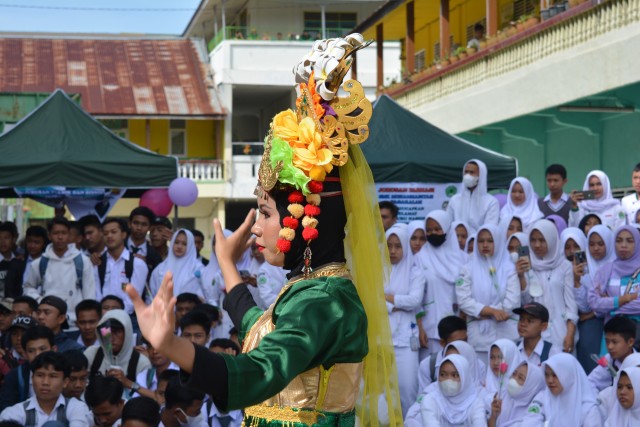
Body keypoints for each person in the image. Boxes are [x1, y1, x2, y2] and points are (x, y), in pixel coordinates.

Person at [127, 33, 400, 427]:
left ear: (306, 221)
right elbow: (258, 324)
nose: (255, 227)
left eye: (266, 213)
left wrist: (170, 345)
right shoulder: (312, 290)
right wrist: (226, 263)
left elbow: (259, 372)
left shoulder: (325, 301)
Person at [456, 224, 520, 360]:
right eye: (481, 241)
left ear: (498, 241)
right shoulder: (468, 269)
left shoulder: (509, 268)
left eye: (490, 241)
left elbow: (513, 302)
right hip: (479, 338)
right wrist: (493, 312)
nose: (485, 245)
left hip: (505, 334)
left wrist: (483, 313)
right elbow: (463, 301)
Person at [23, 217, 96, 328]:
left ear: (69, 235)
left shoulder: (83, 261)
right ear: (49, 236)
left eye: (64, 233)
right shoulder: (40, 263)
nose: (60, 237)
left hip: (75, 323)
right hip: (47, 323)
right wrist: (40, 300)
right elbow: (28, 287)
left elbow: (89, 294)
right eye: (56, 233)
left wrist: (85, 319)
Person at [385, 224, 426, 416]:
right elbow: (372, 300)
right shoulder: (378, 271)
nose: (392, 251)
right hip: (382, 339)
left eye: (398, 246)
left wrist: (387, 298)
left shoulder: (415, 271)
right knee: (383, 391)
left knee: (408, 388)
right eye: (389, 245)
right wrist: (396, 304)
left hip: (406, 340)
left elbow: (415, 300)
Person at [415, 210, 466, 359]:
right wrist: (420, 328)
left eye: (438, 229)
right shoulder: (419, 258)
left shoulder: (463, 259)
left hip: (457, 329)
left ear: (447, 230)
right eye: (429, 230)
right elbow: (417, 298)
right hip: (429, 329)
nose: (433, 233)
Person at [523, 219, 577, 351]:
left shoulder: (565, 266)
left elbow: (571, 305)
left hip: (561, 332)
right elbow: (526, 302)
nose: (537, 245)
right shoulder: (528, 266)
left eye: (542, 240)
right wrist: (520, 276)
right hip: (536, 333)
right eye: (533, 240)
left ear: (551, 239)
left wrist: (570, 334)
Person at [0, 351, 92, 426]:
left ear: (65, 382)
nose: (45, 382)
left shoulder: (77, 408)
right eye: (40, 375)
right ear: (32, 379)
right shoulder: (13, 413)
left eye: (53, 376)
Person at [521, 353, 602, 427]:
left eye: (555, 375)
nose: (550, 380)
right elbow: (529, 422)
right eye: (546, 375)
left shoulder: (588, 409)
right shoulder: (543, 397)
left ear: (569, 375)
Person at [84, 309, 150, 393]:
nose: (111, 338)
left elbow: (148, 394)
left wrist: (127, 382)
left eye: (117, 332)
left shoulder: (141, 363)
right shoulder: (92, 354)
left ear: (127, 333)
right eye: (107, 332)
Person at [95, 218, 149, 318]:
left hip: (128, 318)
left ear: (123, 235)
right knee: (105, 331)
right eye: (105, 233)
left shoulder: (138, 264)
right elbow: (97, 294)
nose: (109, 236)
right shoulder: (97, 263)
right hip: (102, 318)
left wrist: (118, 316)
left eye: (113, 232)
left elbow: (134, 298)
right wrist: (104, 315)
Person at [589, 225, 640, 326]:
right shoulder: (605, 271)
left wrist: (610, 307)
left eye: (629, 241)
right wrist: (620, 300)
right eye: (619, 241)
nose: (623, 245)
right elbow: (593, 301)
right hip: (612, 331)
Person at [420, 354, 487, 426]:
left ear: (464, 378)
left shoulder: (475, 404)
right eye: (443, 374)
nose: (448, 380)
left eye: (455, 375)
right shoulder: (430, 401)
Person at [0, 325, 55, 411]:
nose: (37, 355)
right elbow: (6, 410)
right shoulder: (14, 376)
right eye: (31, 351)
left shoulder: (64, 371)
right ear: (25, 354)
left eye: (42, 349)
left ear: (54, 350)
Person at [150, 229, 205, 299]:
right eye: (176, 242)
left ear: (190, 246)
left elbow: (204, 293)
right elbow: (151, 295)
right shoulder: (160, 268)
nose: (179, 246)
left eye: (184, 244)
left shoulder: (198, 268)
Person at [489, 360, 545, 427]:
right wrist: (493, 416)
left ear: (530, 385)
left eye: (520, 378)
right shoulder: (502, 397)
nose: (514, 379)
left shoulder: (534, 409)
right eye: (514, 374)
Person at [447, 159, 500, 230]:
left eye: (472, 172)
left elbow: (489, 229)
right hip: (456, 237)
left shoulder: (491, 202)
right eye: (466, 172)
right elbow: (448, 224)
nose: (467, 175)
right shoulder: (455, 200)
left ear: (481, 175)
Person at [588, 316, 637, 392]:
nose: (609, 347)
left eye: (615, 342)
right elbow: (591, 382)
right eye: (607, 341)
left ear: (630, 342)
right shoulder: (609, 359)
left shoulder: (637, 363)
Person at [127, 207, 163, 275]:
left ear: (150, 228)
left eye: (144, 224)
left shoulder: (155, 256)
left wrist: (146, 266)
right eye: (136, 223)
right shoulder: (117, 246)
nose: (139, 228)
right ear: (129, 224)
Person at [0, 222, 25, 299]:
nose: (2, 241)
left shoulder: (20, 261)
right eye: (0, 238)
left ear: (14, 239)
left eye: (6, 238)